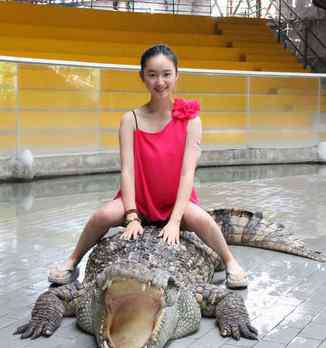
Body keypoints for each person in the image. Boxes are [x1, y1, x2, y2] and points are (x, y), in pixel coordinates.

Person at [48, 44, 248, 289]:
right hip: (138, 201)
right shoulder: (130, 119)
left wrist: (175, 221)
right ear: (142, 76)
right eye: (152, 74)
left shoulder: (191, 120)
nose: (160, 81)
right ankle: (72, 261)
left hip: (176, 202)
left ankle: (230, 262)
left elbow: (188, 173)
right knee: (103, 215)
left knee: (203, 220)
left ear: (177, 75)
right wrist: (132, 216)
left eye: (166, 74)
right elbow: (127, 171)